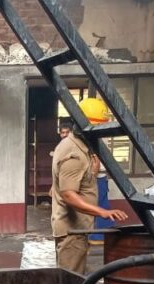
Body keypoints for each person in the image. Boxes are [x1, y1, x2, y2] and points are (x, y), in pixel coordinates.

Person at [50, 98, 128, 274]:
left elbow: (78, 183)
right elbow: (68, 194)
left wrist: (92, 173)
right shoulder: (74, 154)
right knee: (70, 282)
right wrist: (102, 212)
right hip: (71, 232)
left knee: (76, 278)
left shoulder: (79, 147)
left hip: (78, 229)